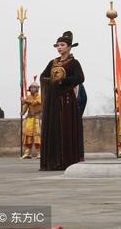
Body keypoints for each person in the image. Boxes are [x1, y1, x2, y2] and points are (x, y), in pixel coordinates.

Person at [40, 31, 85, 171]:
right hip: (53, 100)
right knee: (53, 128)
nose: (59, 47)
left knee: (65, 128)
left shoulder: (74, 63)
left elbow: (80, 78)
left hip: (66, 100)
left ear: (69, 47)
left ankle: (66, 160)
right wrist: (52, 81)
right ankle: (52, 161)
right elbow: (43, 77)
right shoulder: (52, 62)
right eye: (58, 45)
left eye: (62, 45)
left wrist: (63, 81)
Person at [20, 78, 42, 159]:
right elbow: (26, 106)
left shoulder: (40, 96)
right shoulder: (28, 97)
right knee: (28, 136)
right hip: (29, 118)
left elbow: (36, 103)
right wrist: (22, 111)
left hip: (37, 118)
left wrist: (25, 101)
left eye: (34, 87)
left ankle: (39, 153)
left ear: (37, 89)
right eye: (31, 87)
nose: (32, 89)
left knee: (37, 135)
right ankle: (27, 152)